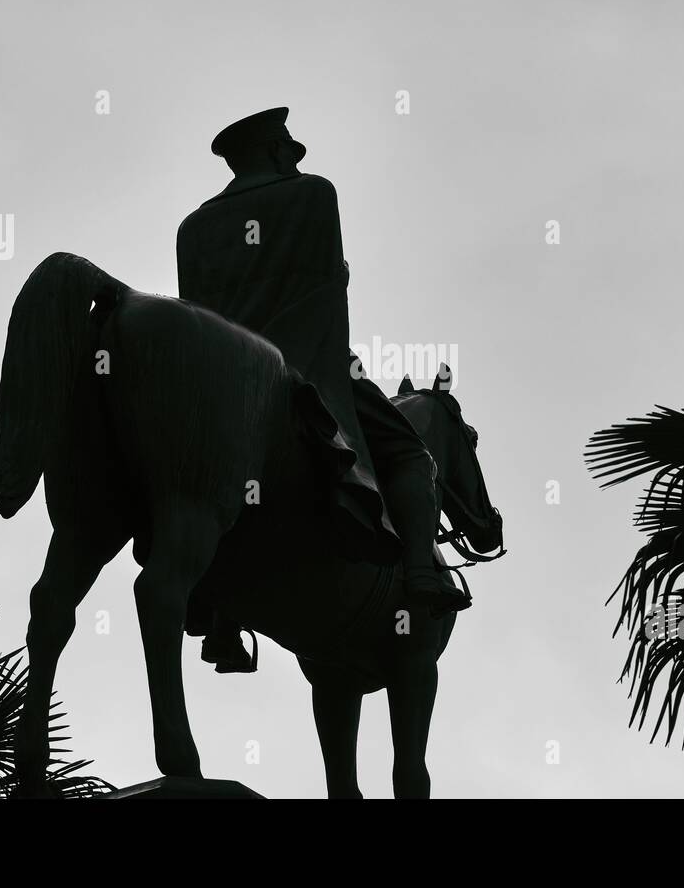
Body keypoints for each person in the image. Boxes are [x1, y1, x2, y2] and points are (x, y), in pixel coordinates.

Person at [176, 107, 470, 673]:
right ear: (270, 150)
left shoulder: (195, 227)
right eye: (287, 140)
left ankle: (221, 618)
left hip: (225, 385)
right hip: (308, 369)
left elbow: (197, 312)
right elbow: (330, 283)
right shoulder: (313, 195)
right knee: (411, 451)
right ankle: (421, 572)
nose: (295, 147)